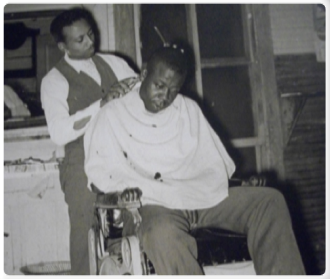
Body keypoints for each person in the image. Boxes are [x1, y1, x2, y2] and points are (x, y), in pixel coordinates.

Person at [84, 45, 306, 275]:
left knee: (270, 201)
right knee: (162, 233)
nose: (165, 97)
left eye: (174, 89)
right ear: (143, 73)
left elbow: (209, 166)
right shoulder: (112, 115)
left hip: (200, 199)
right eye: (159, 86)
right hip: (152, 204)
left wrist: (234, 184)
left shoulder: (187, 110)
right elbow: (100, 175)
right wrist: (124, 191)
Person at [40, 7, 137, 275]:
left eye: (91, 34)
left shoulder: (115, 64)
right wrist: (101, 104)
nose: (90, 42)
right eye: (80, 39)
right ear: (63, 46)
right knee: (85, 235)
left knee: (133, 224)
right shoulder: (54, 81)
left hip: (120, 156)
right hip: (79, 163)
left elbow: (140, 94)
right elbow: (59, 133)